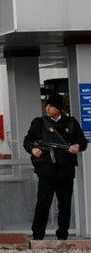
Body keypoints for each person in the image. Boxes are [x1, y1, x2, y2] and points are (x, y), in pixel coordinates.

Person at [23, 94, 87, 240]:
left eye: (51, 106)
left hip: (65, 169)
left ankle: (62, 235)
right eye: (46, 105)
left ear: (59, 108)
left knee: (65, 203)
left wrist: (77, 146)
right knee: (43, 202)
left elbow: (82, 141)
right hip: (46, 169)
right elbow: (27, 141)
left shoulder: (71, 123)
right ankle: (38, 235)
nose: (47, 108)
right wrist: (33, 149)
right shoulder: (39, 123)